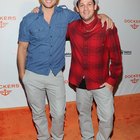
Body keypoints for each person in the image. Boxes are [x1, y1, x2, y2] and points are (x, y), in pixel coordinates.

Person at [17, 0, 114, 140]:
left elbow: (86, 15)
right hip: (32, 74)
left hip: (55, 74)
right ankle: (43, 137)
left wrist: (102, 15)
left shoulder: (67, 15)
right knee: (38, 113)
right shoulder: (29, 19)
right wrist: (22, 76)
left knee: (59, 113)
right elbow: (22, 48)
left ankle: (57, 137)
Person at [66, 0, 122, 140]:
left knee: (107, 117)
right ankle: (87, 137)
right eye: (82, 5)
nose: (86, 8)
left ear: (96, 6)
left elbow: (116, 57)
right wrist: (38, 10)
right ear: (77, 9)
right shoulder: (71, 27)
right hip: (80, 82)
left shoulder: (107, 27)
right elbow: (52, 26)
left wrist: (111, 81)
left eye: (89, 4)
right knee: (84, 115)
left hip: (101, 82)